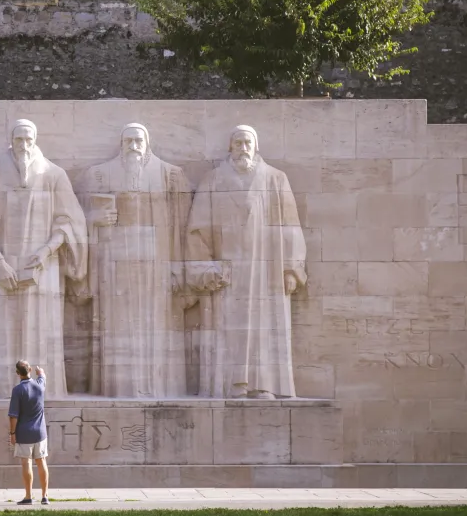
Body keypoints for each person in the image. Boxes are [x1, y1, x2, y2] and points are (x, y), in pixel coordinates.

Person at [0, 120, 87, 397]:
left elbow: (68, 222)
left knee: (41, 330)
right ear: (12, 140)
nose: (24, 145)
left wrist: (45, 252)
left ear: (35, 140)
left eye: (29, 139)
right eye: (19, 139)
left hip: (43, 268)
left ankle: (43, 392)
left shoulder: (54, 174)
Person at [188, 125, 307, 399]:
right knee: (226, 327)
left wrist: (291, 268)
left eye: (247, 143)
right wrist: (205, 267)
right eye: (238, 143)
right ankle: (228, 386)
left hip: (266, 271)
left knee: (264, 327)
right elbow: (197, 229)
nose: (243, 148)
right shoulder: (213, 180)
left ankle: (264, 385)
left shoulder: (275, 179)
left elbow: (290, 227)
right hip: (226, 271)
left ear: (256, 147)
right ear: (230, 147)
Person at [75, 123, 193, 397]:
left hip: (157, 266)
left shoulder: (169, 175)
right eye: (128, 141)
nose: (134, 146)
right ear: (121, 144)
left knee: (158, 324)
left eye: (139, 140)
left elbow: (182, 228)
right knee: (117, 324)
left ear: (147, 143)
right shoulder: (100, 175)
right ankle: (119, 387)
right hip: (113, 267)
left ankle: (158, 387)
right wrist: (93, 219)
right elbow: (74, 218)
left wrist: (178, 268)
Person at [7, 361, 50, 505]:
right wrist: (40, 372)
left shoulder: (17, 390)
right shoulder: (39, 386)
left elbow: (13, 415)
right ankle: (44, 496)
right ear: (29, 369)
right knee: (41, 462)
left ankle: (28, 496)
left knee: (26, 463)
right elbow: (42, 377)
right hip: (40, 432)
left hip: (24, 432)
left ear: (17, 373)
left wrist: (12, 433)